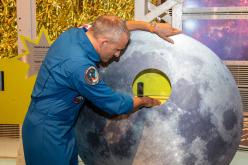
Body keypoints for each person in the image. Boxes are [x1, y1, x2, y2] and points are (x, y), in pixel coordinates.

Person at [22, 15, 180, 165]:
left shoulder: (80, 33)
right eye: (117, 49)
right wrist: (143, 100)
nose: (117, 56)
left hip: (63, 127)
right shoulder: (79, 66)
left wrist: (152, 28)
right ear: (104, 43)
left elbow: (121, 27)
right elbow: (113, 103)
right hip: (47, 132)